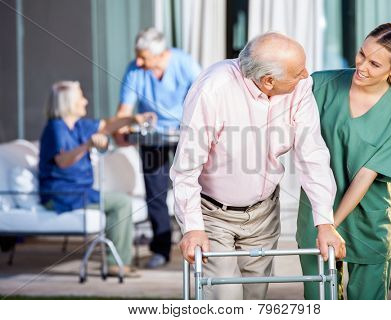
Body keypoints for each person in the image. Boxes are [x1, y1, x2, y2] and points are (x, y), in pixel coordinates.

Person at [170, 32, 346, 300]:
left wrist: (325, 223)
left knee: (256, 299)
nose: (306, 74)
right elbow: (186, 167)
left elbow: (313, 156)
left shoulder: (299, 87)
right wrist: (193, 227)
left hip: (264, 214)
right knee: (225, 301)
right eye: (298, 71)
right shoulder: (213, 89)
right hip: (214, 215)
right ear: (268, 81)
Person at [297, 23, 391, 300]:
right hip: (317, 213)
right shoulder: (321, 85)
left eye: (374, 64)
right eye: (361, 54)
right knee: (320, 300)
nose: (361, 66)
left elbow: (365, 176)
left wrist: (331, 224)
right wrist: (323, 224)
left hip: (367, 220)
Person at [39, 81, 154, 276]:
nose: (85, 101)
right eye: (80, 97)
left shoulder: (79, 125)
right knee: (121, 202)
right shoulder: (56, 128)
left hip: (82, 192)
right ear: (68, 103)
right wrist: (87, 146)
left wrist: (133, 119)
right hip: (61, 195)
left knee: (120, 201)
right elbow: (63, 161)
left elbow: (108, 125)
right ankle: (114, 264)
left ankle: (115, 261)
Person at [114, 28, 201, 269]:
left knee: (198, 187)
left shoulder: (184, 63)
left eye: (143, 57)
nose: (138, 61)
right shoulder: (135, 70)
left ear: (161, 54)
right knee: (156, 194)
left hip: (185, 133)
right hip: (153, 136)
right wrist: (121, 128)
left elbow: (204, 98)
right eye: (137, 56)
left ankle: (202, 245)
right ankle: (161, 249)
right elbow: (124, 110)